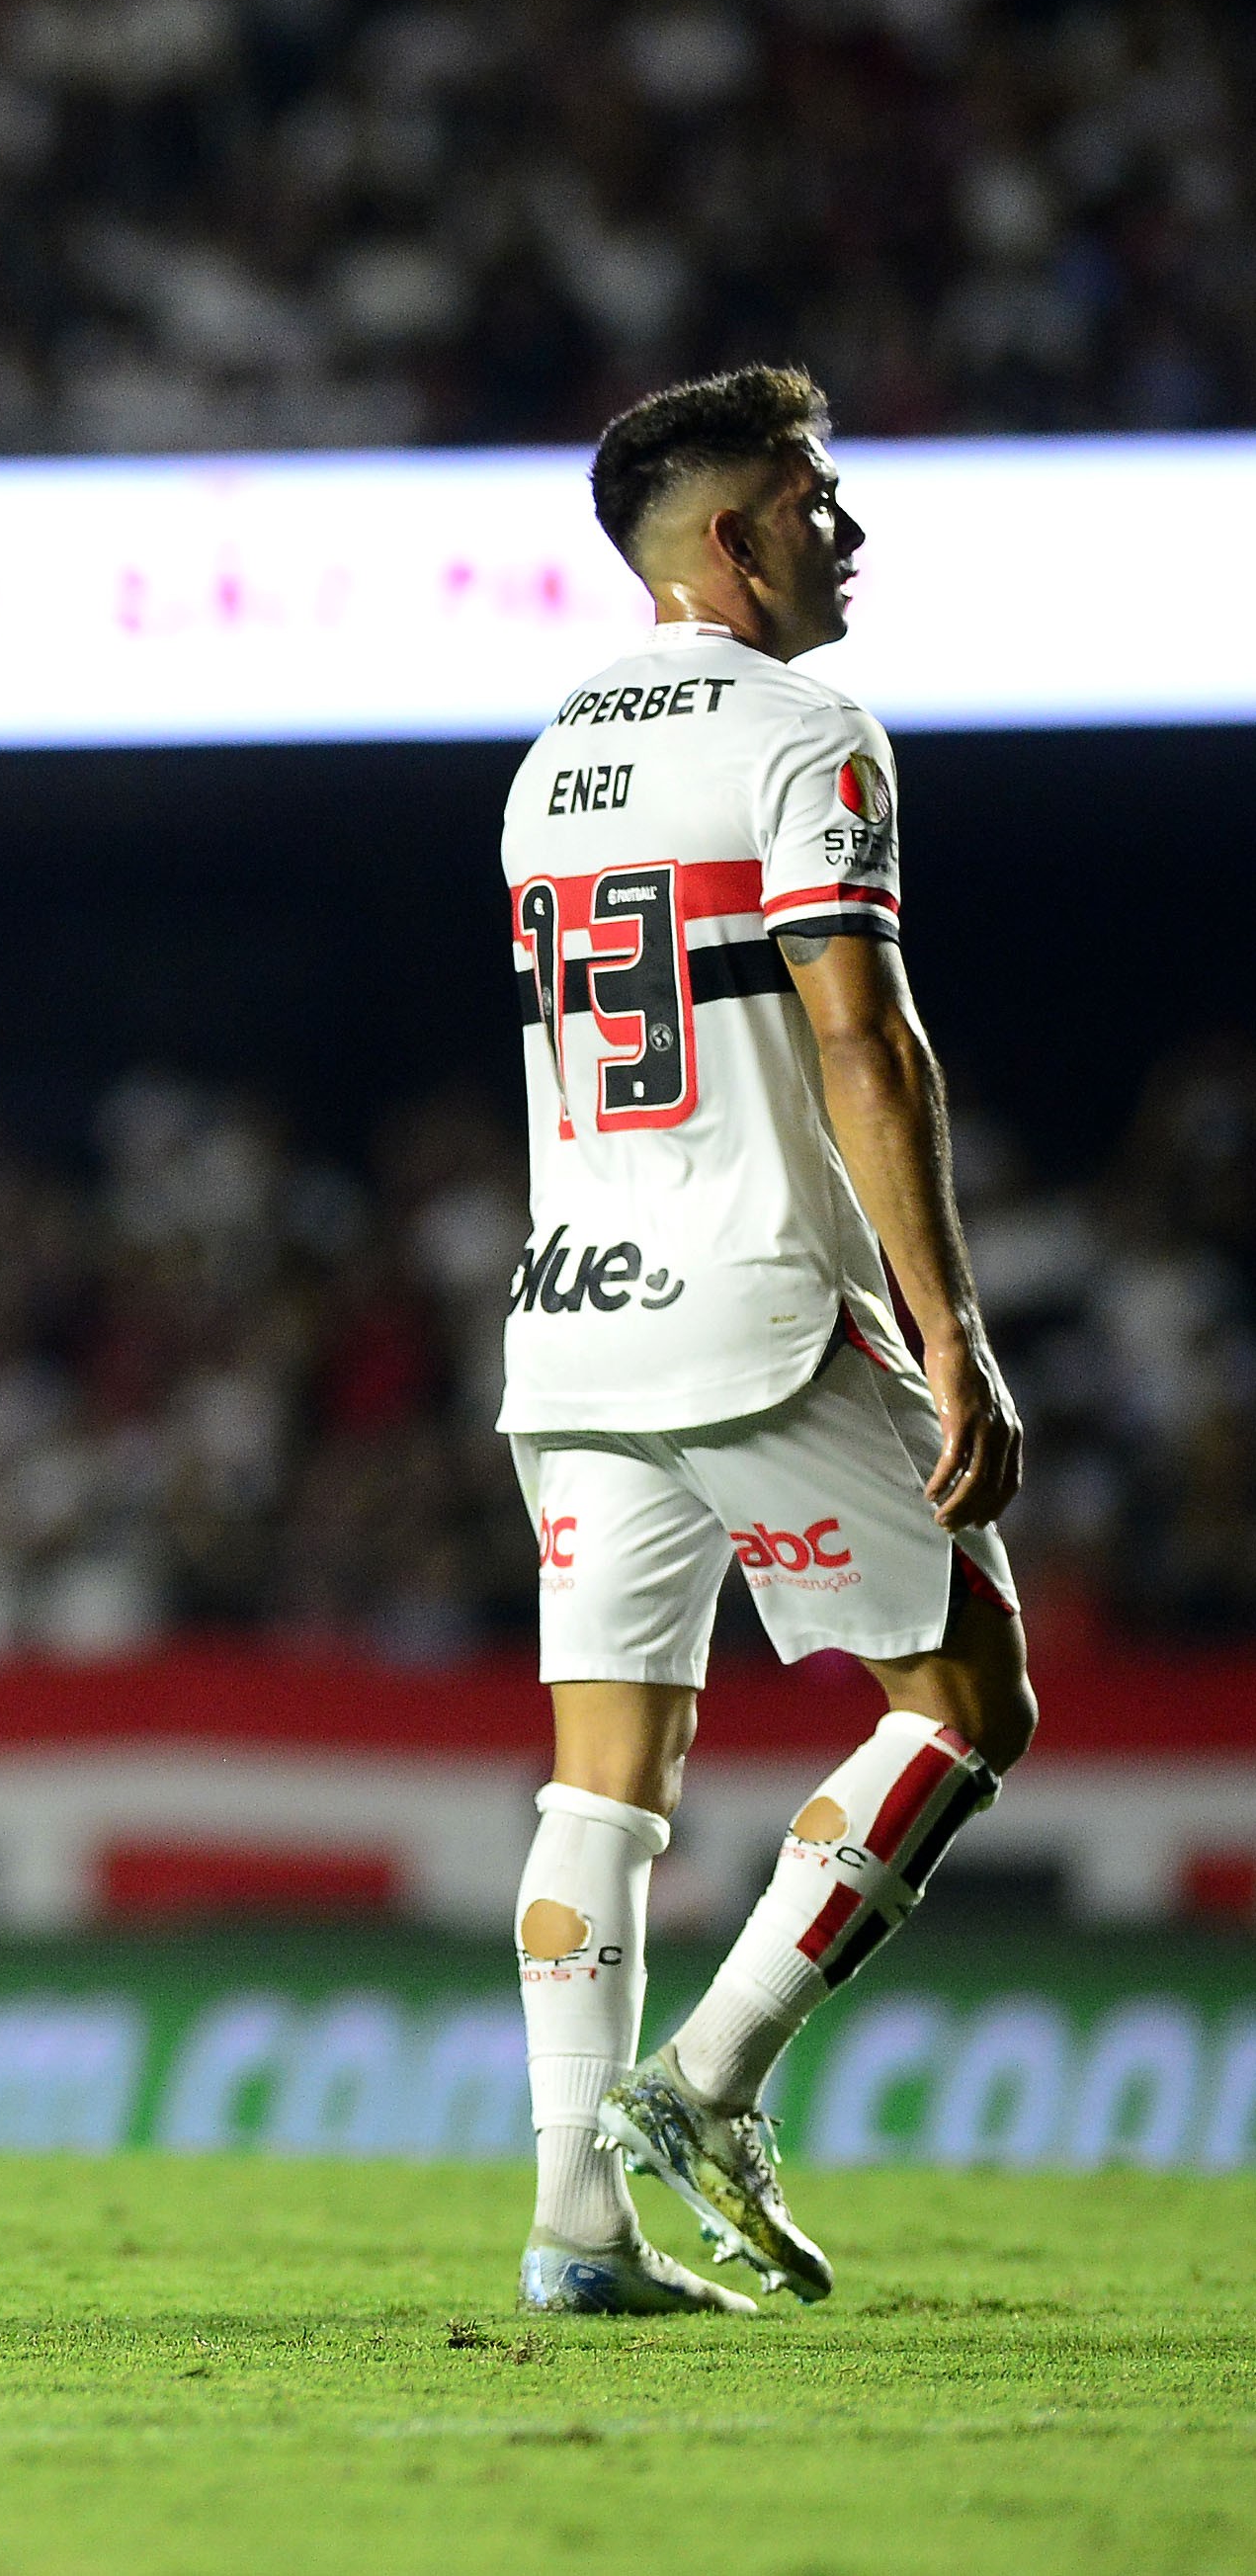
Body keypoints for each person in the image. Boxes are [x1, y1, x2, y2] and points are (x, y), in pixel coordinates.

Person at [499, 366, 1036, 2316]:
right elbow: (853, 1036)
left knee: (600, 1781)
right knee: (961, 1702)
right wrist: (945, 1319)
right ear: (726, 540)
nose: (847, 530)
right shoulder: (804, 733)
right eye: (813, 499)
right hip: (751, 1305)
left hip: (566, 1322)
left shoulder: (548, 758)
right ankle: (708, 2079)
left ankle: (571, 2225)